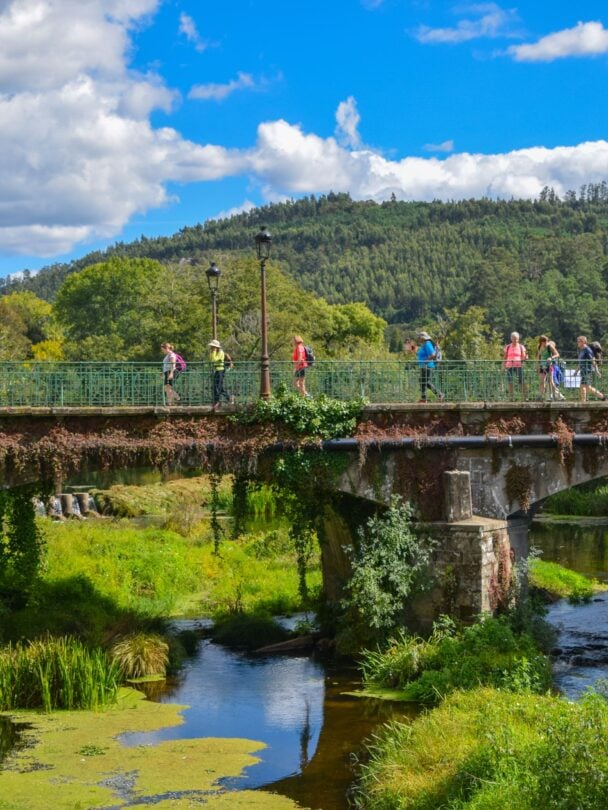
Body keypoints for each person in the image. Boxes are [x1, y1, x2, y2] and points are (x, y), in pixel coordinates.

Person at [576, 336, 606, 402]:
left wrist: (597, 371)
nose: (577, 343)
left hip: (588, 371)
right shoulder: (582, 350)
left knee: (583, 386)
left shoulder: (587, 350)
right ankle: (603, 397)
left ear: (583, 342)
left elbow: (593, 360)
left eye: (578, 341)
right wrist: (576, 371)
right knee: (588, 387)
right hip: (583, 371)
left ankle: (583, 403)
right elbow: (580, 362)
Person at [416, 331, 444, 403]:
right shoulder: (424, 344)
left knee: (426, 381)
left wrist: (426, 361)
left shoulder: (427, 344)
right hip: (424, 366)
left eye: (419, 337)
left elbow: (433, 354)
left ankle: (439, 394)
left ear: (422, 338)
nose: (418, 338)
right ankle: (423, 398)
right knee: (422, 381)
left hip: (427, 366)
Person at [537, 336, 565, 401]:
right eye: (544, 342)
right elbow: (538, 357)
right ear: (541, 342)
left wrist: (551, 358)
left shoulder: (549, 346)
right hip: (542, 366)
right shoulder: (539, 347)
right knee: (542, 382)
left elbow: (557, 354)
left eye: (546, 341)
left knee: (551, 382)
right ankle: (540, 396)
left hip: (549, 366)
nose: (545, 343)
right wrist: (537, 365)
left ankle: (559, 396)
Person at [208, 339, 232, 409]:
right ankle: (229, 398)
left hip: (220, 371)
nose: (211, 348)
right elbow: (211, 359)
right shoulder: (214, 352)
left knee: (217, 387)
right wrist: (213, 352)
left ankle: (217, 402)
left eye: (213, 346)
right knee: (219, 387)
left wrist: (214, 351)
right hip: (216, 371)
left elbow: (214, 360)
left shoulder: (220, 352)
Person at [503, 332, 528, 399]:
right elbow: (504, 358)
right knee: (510, 381)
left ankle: (525, 397)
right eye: (514, 339)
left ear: (518, 339)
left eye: (516, 339)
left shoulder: (521, 347)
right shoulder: (507, 347)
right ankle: (511, 398)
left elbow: (523, 357)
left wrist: (526, 358)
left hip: (518, 365)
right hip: (509, 365)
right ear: (511, 338)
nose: (515, 340)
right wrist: (503, 367)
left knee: (521, 381)